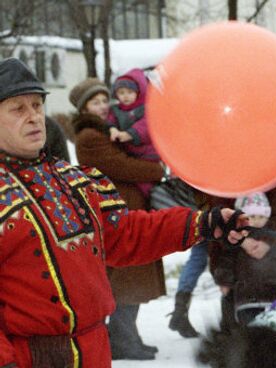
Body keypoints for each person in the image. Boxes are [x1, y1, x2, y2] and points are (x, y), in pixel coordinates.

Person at [0, 58, 247, 368]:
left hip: (94, 351)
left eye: (36, 105)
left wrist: (202, 223)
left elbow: (125, 234)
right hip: (29, 358)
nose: (34, 116)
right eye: (18, 109)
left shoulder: (75, 180)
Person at [68, 77, 170, 359]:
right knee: (127, 279)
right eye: (95, 102)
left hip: (125, 212)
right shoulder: (90, 137)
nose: (102, 107)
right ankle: (123, 340)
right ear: (83, 107)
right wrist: (156, 170)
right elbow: (122, 166)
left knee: (132, 276)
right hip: (115, 215)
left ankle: (127, 336)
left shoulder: (109, 130)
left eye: (104, 100)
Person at [211, 189, 276, 330]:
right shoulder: (235, 239)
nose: (257, 221)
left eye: (261, 216)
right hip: (246, 298)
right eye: (252, 216)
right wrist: (224, 280)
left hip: (272, 297)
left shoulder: (274, 239)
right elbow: (227, 260)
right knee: (249, 332)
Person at [107, 68, 159, 197]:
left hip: (146, 154)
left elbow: (147, 125)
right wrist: (112, 129)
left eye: (130, 92)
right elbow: (110, 121)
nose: (125, 96)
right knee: (134, 182)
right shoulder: (116, 110)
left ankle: (151, 198)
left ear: (138, 92)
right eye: (121, 92)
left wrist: (130, 134)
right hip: (130, 153)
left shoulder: (144, 108)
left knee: (146, 183)